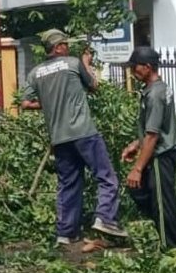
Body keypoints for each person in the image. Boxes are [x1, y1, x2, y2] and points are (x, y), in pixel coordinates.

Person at [21, 29, 128, 245]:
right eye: (65, 44)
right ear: (58, 47)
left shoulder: (35, 73)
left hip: (59, 137)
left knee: (69, 183)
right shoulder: (72, 63)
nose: (68, 47)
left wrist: (50, 103)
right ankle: (106, 218)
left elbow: (25, 103)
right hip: (83, 132)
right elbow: (93, 86)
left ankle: (66, 233)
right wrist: (86, 63)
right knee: (106, 177)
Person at [121, 47, 176, 249]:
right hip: (159, 151)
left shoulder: (154, 95)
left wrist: (137, 168)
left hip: (161, 155)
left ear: (147, 67)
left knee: (161, 202)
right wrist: (137, 144)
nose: (133, 71)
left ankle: (170, 248)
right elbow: (154, 127)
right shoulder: (158, 88)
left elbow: (153, 135)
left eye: (135, 67)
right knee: (139, 191)